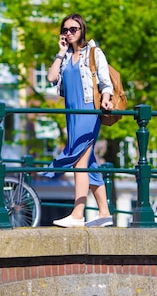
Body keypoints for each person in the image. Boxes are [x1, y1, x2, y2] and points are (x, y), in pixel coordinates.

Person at [45, 13, 114, 228]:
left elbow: (106, 82)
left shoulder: (93, 53)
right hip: (72, 115)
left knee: (79, 162)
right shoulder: (65, 58)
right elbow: (51, 78)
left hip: (88, 113)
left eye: (73, 29)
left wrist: (106, 100)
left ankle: (78, 213)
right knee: (89, 164)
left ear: (82, 30)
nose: (69, 33)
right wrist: (60, 51)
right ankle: (104, 213)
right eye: (65, 29)